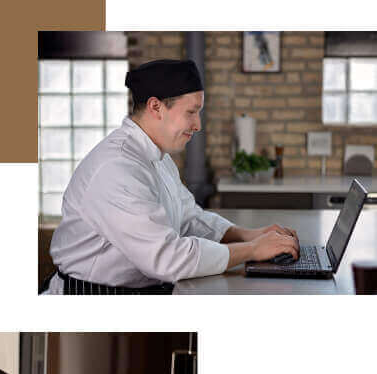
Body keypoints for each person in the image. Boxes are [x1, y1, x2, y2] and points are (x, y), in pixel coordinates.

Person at [43, 58, 299, 294]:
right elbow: (167, 258)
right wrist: (252, 250)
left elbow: (188, 218)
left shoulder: (158, 157)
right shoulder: (116, 168)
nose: (198, 125)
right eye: (191, 112)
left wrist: (247, 235)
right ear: (156, 107)